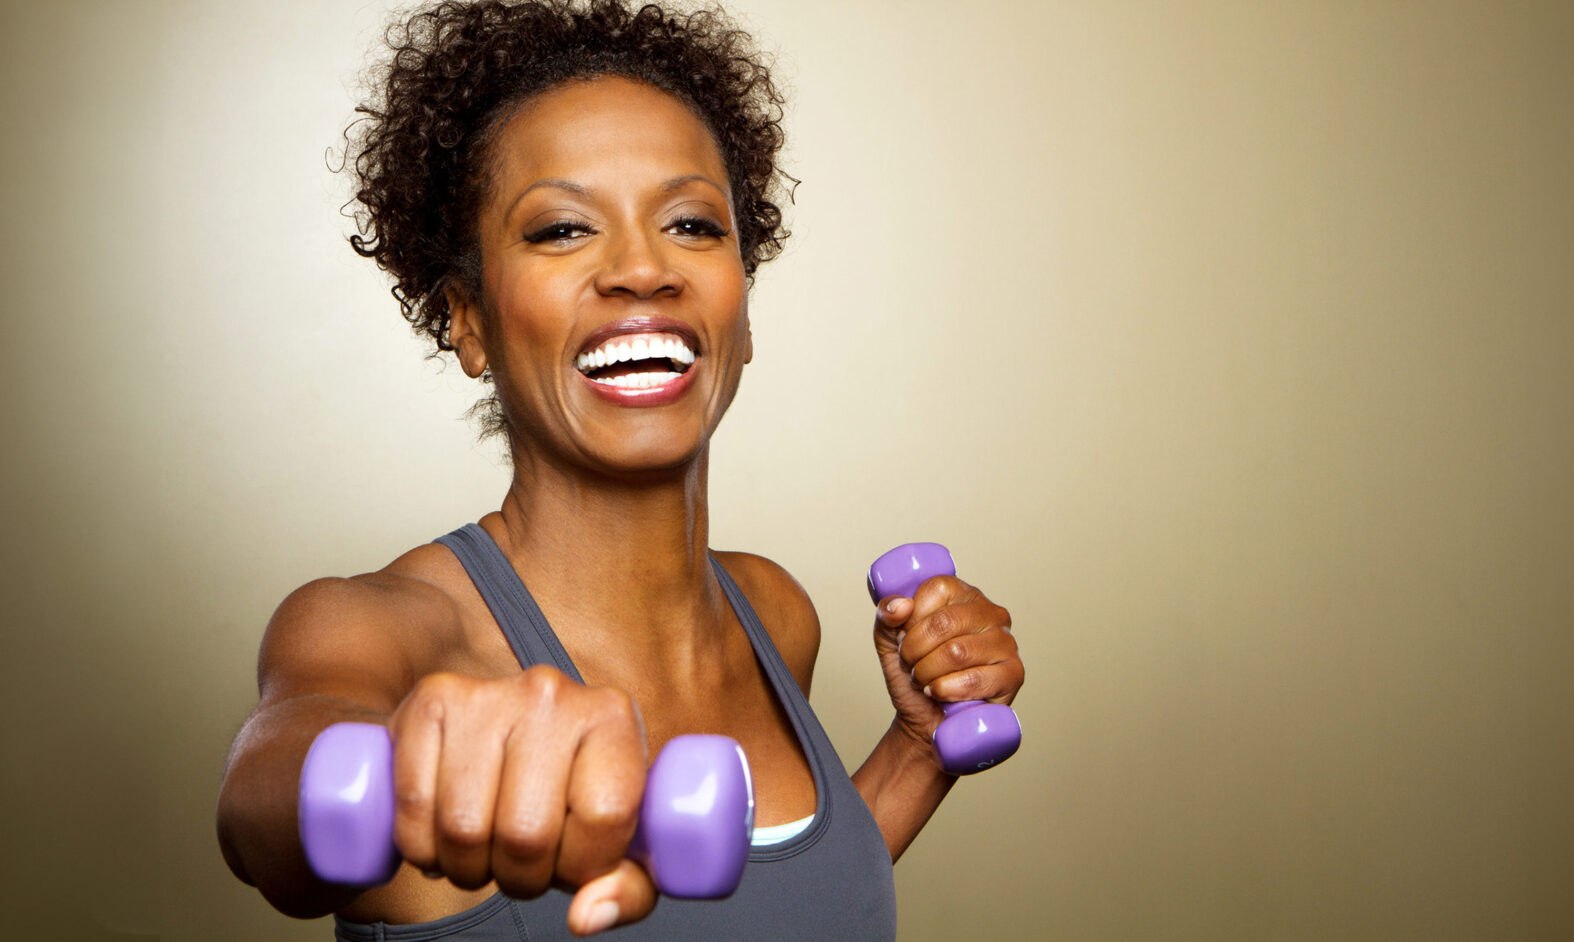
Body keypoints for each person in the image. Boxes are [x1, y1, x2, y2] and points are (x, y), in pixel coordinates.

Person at [215, 1, 1025, 937]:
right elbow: (262, 806)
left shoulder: (773, 613)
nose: (643, 270)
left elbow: (775, 911)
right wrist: (403, 771)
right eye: (561, 230)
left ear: (744, 315)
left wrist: (919, 752)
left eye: (691, 225)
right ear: (468, 322)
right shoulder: (383, 631)